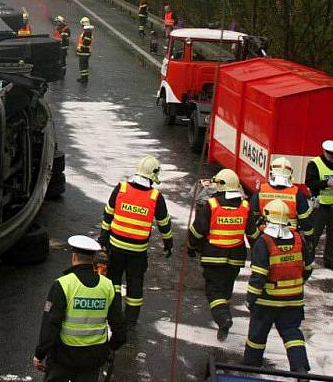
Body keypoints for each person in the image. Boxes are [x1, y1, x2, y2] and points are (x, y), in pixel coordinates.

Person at [34, 235, 126, 382]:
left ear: (74, 257)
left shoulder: (63, 285)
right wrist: (111, 347)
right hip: (94, 357)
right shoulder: (107, 285)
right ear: (93, 260)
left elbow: (50, 325)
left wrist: (40, 354)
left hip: (63, 356)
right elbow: (119, 325)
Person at [99, 156, 173, 326]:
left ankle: (114, 314)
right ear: (153, 174)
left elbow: (108, 214)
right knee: (135, 285)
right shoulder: (155, 196)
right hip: (137, 252)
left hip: (115, 247)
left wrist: (103, 238)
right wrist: (168, 244)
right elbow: (164, 224)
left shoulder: (121, 188)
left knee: (114, 281)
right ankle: (130, 321)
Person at [243, 198, 313, 375]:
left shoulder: (264, 242)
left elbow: (258, 275)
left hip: (267, 301)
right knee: (292, 334)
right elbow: (308, 267)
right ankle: (300, 369)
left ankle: (251, 368)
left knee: (257, 335)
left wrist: (250, 299)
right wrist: (297, 284)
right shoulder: (298, 239)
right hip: (293, 300)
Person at [187, 169, 255, 341]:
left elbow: (197, 231)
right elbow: (253, 234)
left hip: (213, 257)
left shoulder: (212, 205)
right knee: (226, 289)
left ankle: (223, 319)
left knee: (213, 291)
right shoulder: (245, 207)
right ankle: (223, 315)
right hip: (235, 258)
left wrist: (191, 246)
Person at [249, 157, 314, 251]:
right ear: (290, 173)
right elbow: (305, 220)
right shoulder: (297, 193)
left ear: (271, 171)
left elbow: (252, 217)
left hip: (265, 235)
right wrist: (309, 239)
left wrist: (255, 238)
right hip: (290, 236)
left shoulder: (261, 190)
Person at [306, 140, 333, 271]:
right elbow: (310, 182)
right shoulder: (314, 163)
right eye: (331, 156)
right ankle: (307, 260)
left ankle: (330, 260)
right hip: (320, 206)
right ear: (325, 152)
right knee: (314, 235)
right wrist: (326, 183)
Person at [76, 17, 94, 83]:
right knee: (84, 66)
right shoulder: (87, 31)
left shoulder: (87, 32)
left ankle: (84, 79)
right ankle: (84, 78)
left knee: (83, 66)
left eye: (82, 24)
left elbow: (86, 42)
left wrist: (80, 48)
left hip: (84, 52)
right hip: (85, 51)